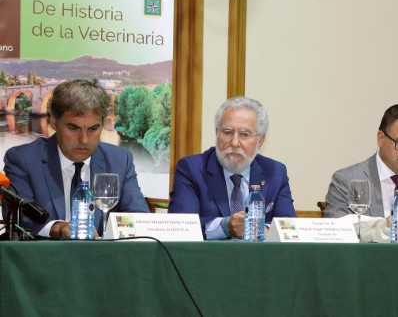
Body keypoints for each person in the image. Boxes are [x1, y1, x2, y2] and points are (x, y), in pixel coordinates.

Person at [3, 79, 149, 239]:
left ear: (103, 123)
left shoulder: (120, 160)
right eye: (73, 128)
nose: (84, 139)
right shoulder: (23, 159)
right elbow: (20, 220)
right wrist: (58, 228)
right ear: (53, 121)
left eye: (93, 129)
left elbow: (138, 216)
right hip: (44, 260)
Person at [169, 96, 296, 239]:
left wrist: (257, 229)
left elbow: (289, 227)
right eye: (227, 132)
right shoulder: (191, 169)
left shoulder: (275, 172)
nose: (234, 142)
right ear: (217, 133)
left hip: (260, 260)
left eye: (244, 134)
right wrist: (226, 226)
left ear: (260, 141)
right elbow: (180, 227)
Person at [323, 104, 398, 242]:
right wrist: (378, 228)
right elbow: (335, 233)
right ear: (381, 138)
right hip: (371, 261)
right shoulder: (347, 180)